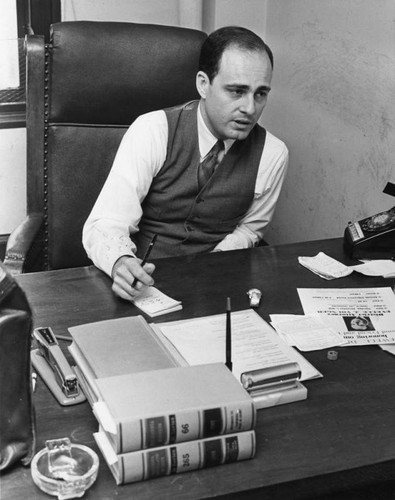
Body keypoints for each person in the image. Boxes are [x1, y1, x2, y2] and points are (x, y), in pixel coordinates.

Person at [83, 26, 289, 302]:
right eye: (237, 91)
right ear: (203, 84)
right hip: (143, 285)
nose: (250, 108)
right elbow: (105, 223)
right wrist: (121, 261)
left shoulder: (273, 154)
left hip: (215, 288)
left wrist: (215, 262)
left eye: (260, 94)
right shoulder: (153, 130)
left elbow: (251, 229)